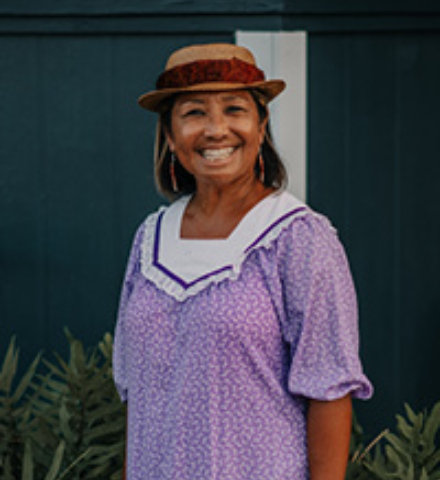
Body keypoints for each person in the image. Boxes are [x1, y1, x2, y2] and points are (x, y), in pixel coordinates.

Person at [113, 43, 373, 480]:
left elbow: (329, 393)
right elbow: (141, 403)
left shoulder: (297, 238)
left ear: (260, 125)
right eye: (194, 112)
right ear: (171, 135)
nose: (216, 130)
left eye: (234, 109)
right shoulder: (149, 241)